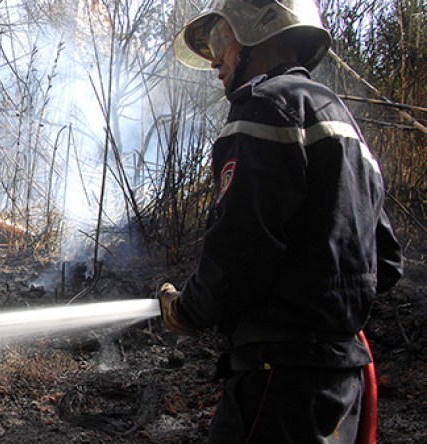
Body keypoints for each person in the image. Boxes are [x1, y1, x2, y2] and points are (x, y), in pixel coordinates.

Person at [159, 0, 404, 442]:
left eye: (221, 39)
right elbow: (385, 261)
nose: (215, 59)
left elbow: (240, 250)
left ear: (261, 30)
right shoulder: (340, 121)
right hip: (338, 388)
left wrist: (187, 309)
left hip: (280, 384)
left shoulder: (263, 108)